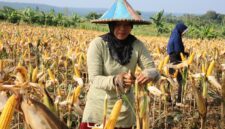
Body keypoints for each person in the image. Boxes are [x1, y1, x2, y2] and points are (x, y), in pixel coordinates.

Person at [80, 0, 160, 129]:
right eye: (118, 24)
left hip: (124, 110)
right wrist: (116, 80)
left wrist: (150, 73)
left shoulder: (137, 45)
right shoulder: (98, 44)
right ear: (111, 25)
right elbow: (94, 79)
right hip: (99, 108)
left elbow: (153, 70)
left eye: (126, 25)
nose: (122, 29)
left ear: (132, 26)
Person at [166, 22, 189, 105]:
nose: (184, 33)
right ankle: (179, 100)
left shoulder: (173, 36)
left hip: (172, 59)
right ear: (180, 30)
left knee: (170, 79)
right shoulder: (177, 38)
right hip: (176, 61)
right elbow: (179, 51)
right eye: (183, 31)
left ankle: (168, 99)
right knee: (181, 80)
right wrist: (186, 54)